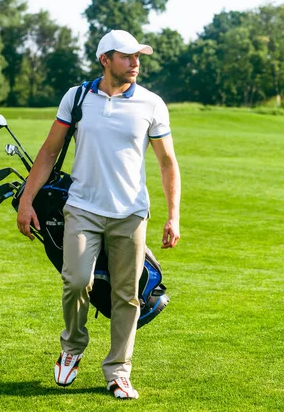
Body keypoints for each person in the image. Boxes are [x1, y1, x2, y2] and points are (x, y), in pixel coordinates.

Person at [16, 29, 181, 400]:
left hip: (131, 213)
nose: (136, 63)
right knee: (76, 279)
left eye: (138, 56)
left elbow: (167, 163)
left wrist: (174, 216)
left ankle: (119, 371)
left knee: (127, 295)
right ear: (105, 59)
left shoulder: (152, 104)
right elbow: (47, 152)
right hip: (82, 208)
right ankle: (72, 348)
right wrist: (27, 200)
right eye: (127, 56)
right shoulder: (77, 98)